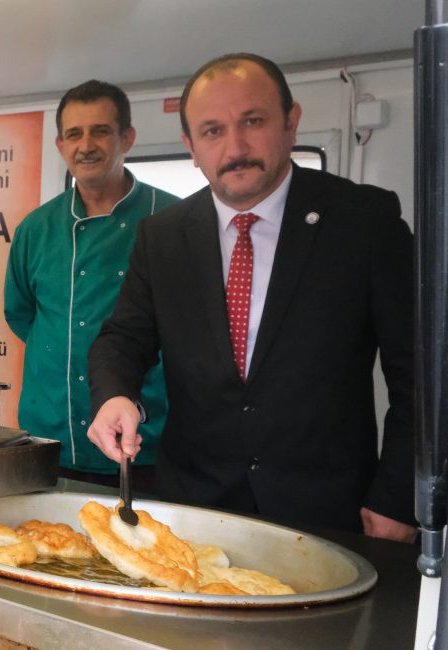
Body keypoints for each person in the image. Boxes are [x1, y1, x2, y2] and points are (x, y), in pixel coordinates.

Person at [86, 53, 415, 542]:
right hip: (195, 508)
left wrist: (400, 499)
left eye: (253, 121)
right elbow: (123, 338)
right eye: (212, 131)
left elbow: (421, 376)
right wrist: (114, 394)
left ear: (290, 122)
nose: (235, 147)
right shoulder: (162, 236)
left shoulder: (363, 222)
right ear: (191, 147)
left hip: (328, 512)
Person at [3, 80, 178, 488]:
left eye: (100, 131)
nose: (86, 145)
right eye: (74, 134)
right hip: (49, 435)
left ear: (127, 138)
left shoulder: (171, 221)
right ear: (61, 145)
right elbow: (22, 313)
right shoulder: (36, 228)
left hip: (147, 441)